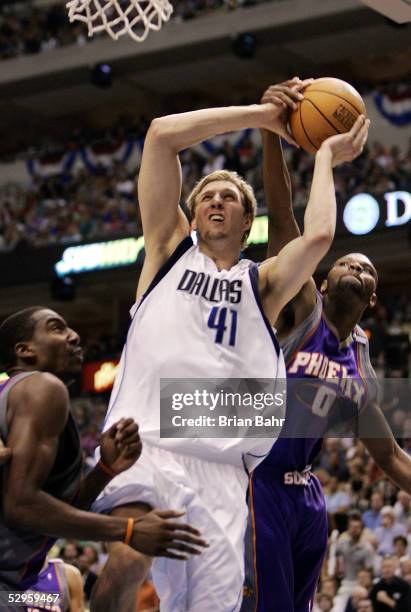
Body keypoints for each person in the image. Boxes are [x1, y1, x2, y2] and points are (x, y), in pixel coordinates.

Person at [90, 84, 369, 612]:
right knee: (130, 557)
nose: (217, 200)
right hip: (151, 443)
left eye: (231, 198)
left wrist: (326, 157)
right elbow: (159, 136)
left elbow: (318, 238)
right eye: (207, 197)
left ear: (247, 223)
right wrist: (264, 117)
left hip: (223, 471)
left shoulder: (262, 285)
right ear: (192, 219)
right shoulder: (168, 254)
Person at [242, 79, 411, 612]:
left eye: (365, 267)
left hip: (308, 494)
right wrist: (274, 133)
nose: (355, 265)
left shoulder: (359, 362)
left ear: (373, 298)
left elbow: (388, 455)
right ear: (322, 278)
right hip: (261, 481)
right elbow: (283, 216)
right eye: (345, 261)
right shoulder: (303, 307)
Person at [0, 307, 206, 597]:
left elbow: (50, 514)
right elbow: (21, 505)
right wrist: (129, 529)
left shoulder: (20, 395)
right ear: (25, 350)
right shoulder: (43, 388)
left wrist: (104, 471)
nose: (74, 336)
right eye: (56, 328)